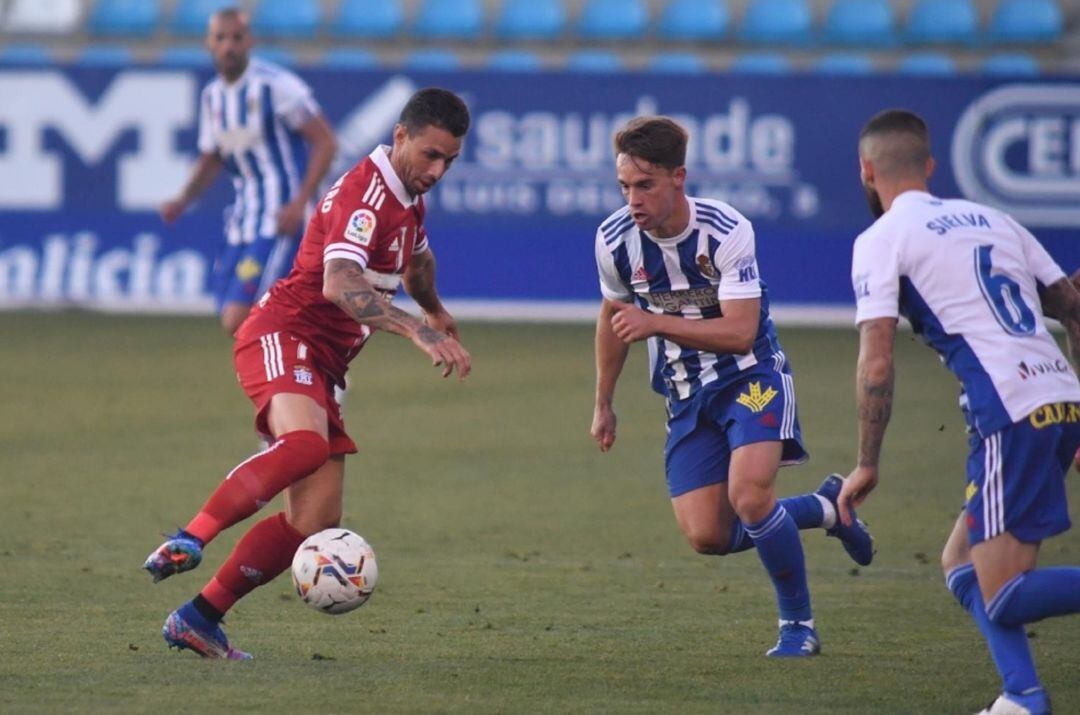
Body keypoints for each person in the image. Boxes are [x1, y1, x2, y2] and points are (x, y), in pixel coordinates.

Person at [142, 87, 473, 659]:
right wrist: (418, 330)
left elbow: (416, 259)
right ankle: (189, 536)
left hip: (325, 363)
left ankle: (199, 618)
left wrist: (435, 307)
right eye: (430, 155)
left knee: (314, 521)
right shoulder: (365, 195)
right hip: (282, 332)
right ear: (400, 137)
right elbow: (339, 284)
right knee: (303, 447)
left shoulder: (408, 199)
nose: (438, 170)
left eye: (449, 160)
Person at [590, 116, 874, 657]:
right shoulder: (613, 240)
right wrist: (604, 401)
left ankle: (797, 625)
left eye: (645, 185)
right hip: (685, 395)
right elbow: (612, 316)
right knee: (708, 537)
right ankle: (827, 507)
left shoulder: (726, 230)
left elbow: (741, 331)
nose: (633, 199)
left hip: (751, 379)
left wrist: (656, 323)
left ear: (679, 177)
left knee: (749, 497)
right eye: (625, 186)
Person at [839, 109, 1080, 715]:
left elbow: (875, 365)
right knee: (960, 564)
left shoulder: (881, 239)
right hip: (1057, 397)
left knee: (1001, 594)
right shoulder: (996, 219)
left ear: (866, 171)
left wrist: (866, 463)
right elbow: (1071, 306)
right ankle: (1022, 696)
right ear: (930, 166)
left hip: (1009, 409)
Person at [160, 7, 337, 336]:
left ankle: (306, 374)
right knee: (230, 309)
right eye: (221, 38)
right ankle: (310, 366)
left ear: (250, 41)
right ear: (208, 44)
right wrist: (182, 200)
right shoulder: (213, 97)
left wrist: (300, 203)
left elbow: (325, 142)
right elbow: (212, 158)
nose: (229, 46)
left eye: (236, 38)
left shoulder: (277, 87)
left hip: (279, 217)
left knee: (241, 316)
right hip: (242, 219)